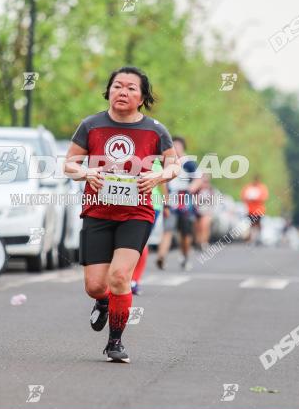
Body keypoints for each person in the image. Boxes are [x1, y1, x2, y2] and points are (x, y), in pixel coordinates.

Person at [64, 66, 179, 363]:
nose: (122, 92)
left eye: (130, 88)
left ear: (141, 97)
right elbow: (68, 165)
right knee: (95, 286)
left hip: (136, 213)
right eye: (117, 86)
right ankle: (103, 302)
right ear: (108, 91)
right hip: (97, 212)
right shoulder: (90, 125)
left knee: (119, 276)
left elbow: (174, 166)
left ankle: (115, 342)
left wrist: (158, 177)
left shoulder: (155, 130)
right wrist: (87, 171)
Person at [155, 136, 201, 271]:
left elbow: (198, 178)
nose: (176, 149)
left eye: (178, 146)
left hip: (185, 202)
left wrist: (192, 187)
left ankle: (185, 256)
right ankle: (161, 257)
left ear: (183, 147)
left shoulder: (189, 163)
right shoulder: (166, 162)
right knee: (167, 229)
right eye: (173, 146)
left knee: (185, 234)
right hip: (171, 201)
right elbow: (162, 181)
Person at [130, 158, 166, 296]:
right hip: (129, 203)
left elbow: (163, 183)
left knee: (141, 241)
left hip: (151, 205)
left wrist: (166, 203)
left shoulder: (153, 159)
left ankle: (135, 280)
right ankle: (128, 278)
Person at [240, 175, 268, 245]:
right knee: (251, 224)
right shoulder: (248, 187)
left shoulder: (262, 187)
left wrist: (255, 198)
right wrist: (248, 198)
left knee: (258, 224)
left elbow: (264, 197)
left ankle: (258, 238)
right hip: (250, 210)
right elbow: (243, 196)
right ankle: (251, 239)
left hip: (259, 210)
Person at [193, 173, 214, 251]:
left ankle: (204, 242)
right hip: (197, 211)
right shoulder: (197, 190)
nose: (205, 183)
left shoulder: (210, 189)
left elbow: (213, 201)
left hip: (206, 211)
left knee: (205, 226)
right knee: (198, 228)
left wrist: (211, 211)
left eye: (206, 181)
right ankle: (198, 242)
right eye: (204, 181)